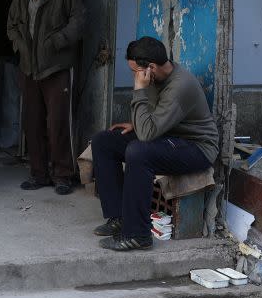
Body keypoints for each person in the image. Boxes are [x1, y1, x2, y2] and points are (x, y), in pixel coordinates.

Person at [91, 37, 219, 251]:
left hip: (196, 148)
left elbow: (148, 133)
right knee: (104, 141)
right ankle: (119, 217)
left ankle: (137, 234)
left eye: (135, 71)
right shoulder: (155, 78)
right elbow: (151, 123)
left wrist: (139, 91)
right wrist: (136, 123)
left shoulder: (180, 86)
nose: (135, 76)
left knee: (138, 152)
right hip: (167, 135)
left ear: (150, 68)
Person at [6, 0, 86, 195]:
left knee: (57, 123)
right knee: (32, 123)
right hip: (29, 68)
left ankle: (63, 175)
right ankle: (38, 174)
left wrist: (60, 40)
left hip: (56, 67)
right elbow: (11, 26)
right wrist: (19, 45)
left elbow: (80, 19)